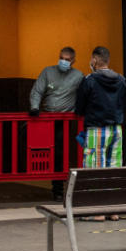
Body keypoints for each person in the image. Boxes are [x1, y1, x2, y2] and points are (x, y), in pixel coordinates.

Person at [75, 46, 126, 221]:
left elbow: (79, 107)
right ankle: (113, 210)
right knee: (114, 168)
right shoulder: (121, 80)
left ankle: (98, 212)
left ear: (95, 60)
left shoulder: (89, 80)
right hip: (116, 129)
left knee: (95, 168)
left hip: (96, 128)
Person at [28, 46, 83, 200]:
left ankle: (58, 189)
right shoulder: (48, 72)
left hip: (64, 121)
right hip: (46, 119)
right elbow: (37, 90)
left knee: (60, 153)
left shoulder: (78, 76)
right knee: (41, 150)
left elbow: (85, 95)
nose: (63, 62)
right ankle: (54, 185)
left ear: (73, 61)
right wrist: (34, 107)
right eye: (61, 58)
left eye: (67, 60)